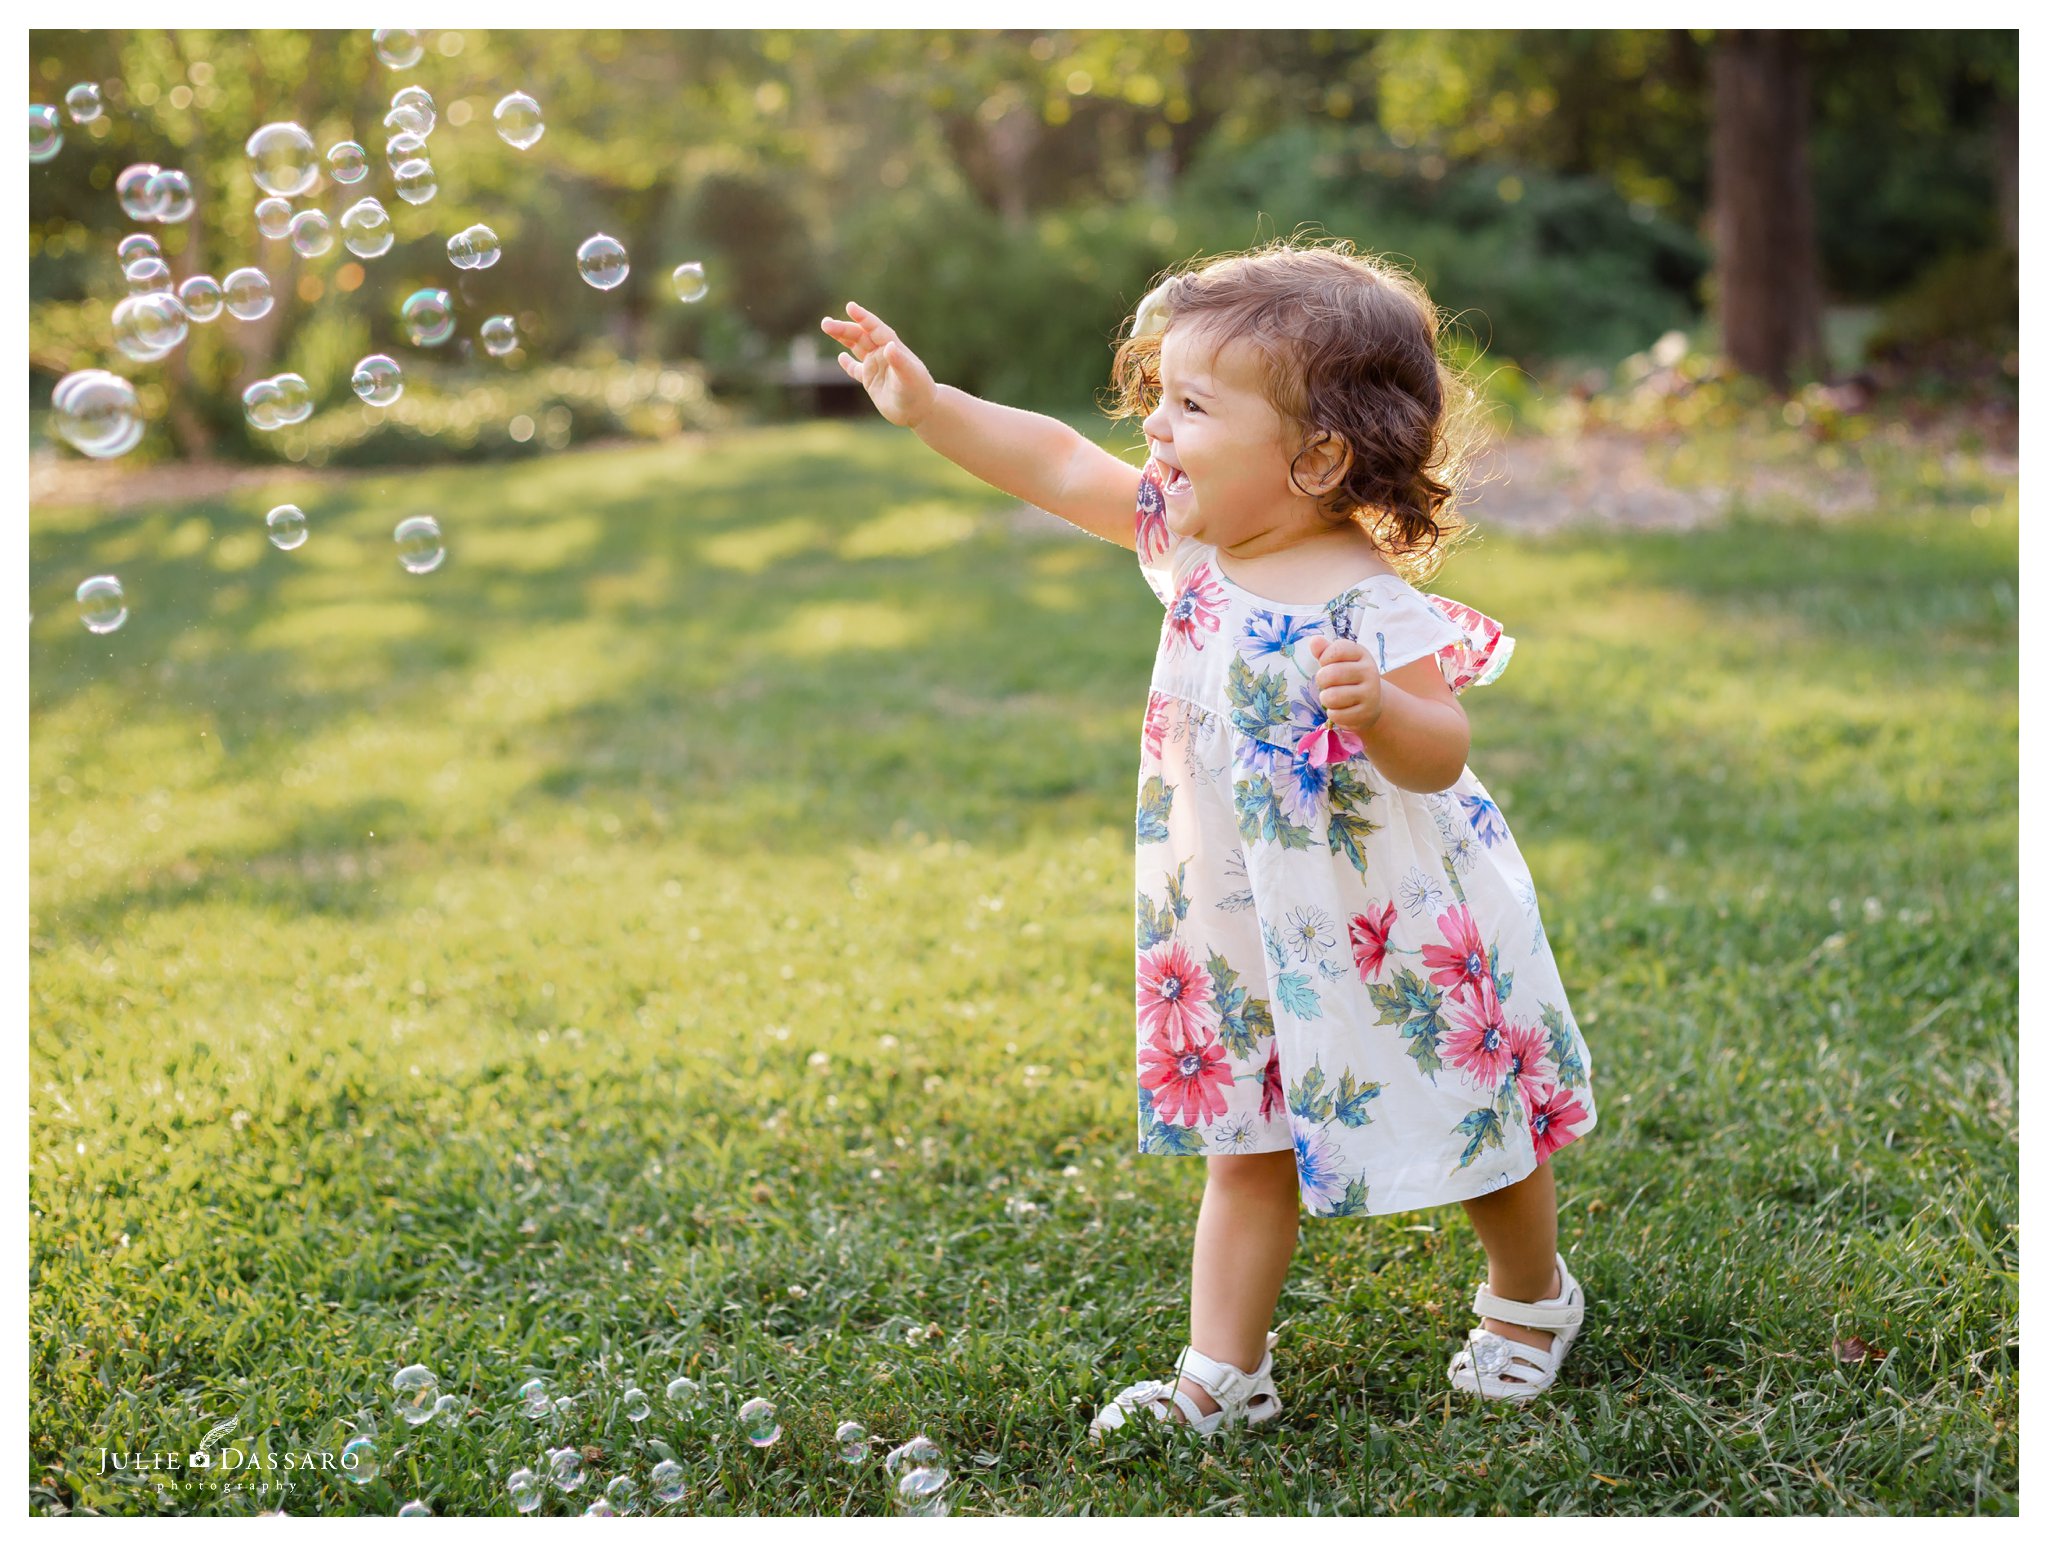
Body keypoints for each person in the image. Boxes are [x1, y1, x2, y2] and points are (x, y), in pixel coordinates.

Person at [819, 237, 1598, 1432]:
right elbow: (1053, 459)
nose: (1153, 430)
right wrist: (928, 407)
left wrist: (1380, 707)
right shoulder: (1193, 548)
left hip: (1396, 926)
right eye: (1158, 398)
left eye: (1189, 406)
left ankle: (1526, 1297)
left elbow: (1437, 750)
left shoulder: (1365, 603)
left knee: (1474, 1115)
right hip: (1239, 918)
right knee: (1245, 1138)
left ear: (1316, 455)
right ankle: (1220, 1375)